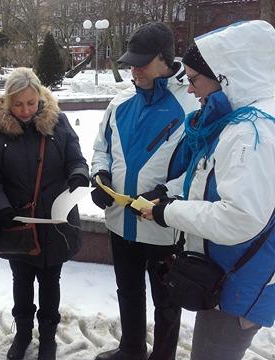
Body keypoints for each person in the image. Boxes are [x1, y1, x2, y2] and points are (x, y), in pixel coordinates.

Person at [140, 20, 275, 360]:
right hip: (231, 273)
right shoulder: (245, 120)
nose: (188, 88)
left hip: (240, 280)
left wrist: (166, 211)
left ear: (226, 75)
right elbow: (211, 181)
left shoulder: (251, 132)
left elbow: (239, 217)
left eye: (194, 78)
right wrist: (169, 193)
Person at [90, 23, 198, 360]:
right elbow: (101, 148)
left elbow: (201, 168)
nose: (133, 69)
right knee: (129, 289)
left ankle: (163, 356)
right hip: (121, 221)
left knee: (167, 299)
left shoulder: (192, 106)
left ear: (166, 60)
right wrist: (100, 176)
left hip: (163, 225)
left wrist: (167, 192)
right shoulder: (120, 103)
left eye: (141, 62)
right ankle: (131, 348)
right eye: (130, 62)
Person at [0, 67, 89, 360]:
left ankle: (48, 338)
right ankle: (24, 333)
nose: (25, 110)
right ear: (7, 102)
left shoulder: (58, 122)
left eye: (30, 103)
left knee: (51, 281)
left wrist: (78, 175)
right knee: (22, 280)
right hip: (18, 223)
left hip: (55, 222)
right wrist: (1, 208)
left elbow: (76, 159)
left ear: (40, 98)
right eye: (18, 104)